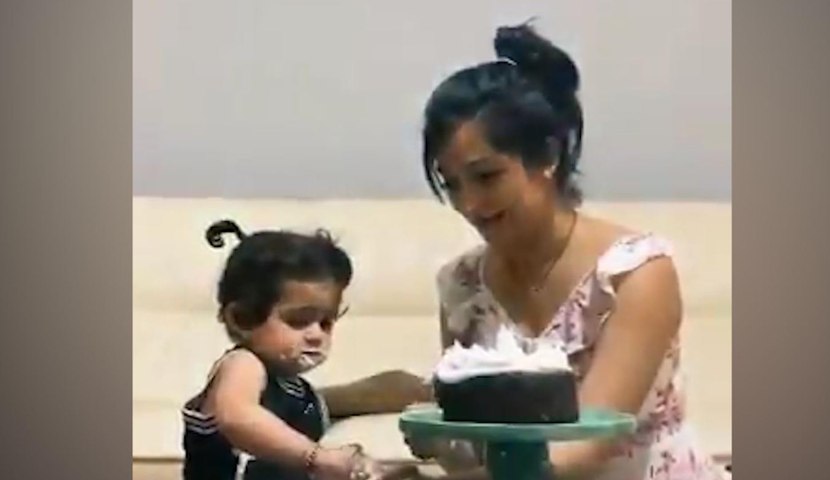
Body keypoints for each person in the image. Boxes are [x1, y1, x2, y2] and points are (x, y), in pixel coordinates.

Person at [407, 22, 726, 480]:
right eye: (451, 184)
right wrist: (438, 441)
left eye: (486, 177)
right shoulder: (462, 287)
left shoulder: (634, 274)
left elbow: (588, 446)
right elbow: (477, 448)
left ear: (548, 155)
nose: (469, 204)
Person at [181, 219, 419, 480]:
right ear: (242, 318)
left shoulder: (296, 392)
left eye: (326, 323)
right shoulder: (243, 365)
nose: (316, 335)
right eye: (298, 321)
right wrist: (316, 457)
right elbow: (236, 417)